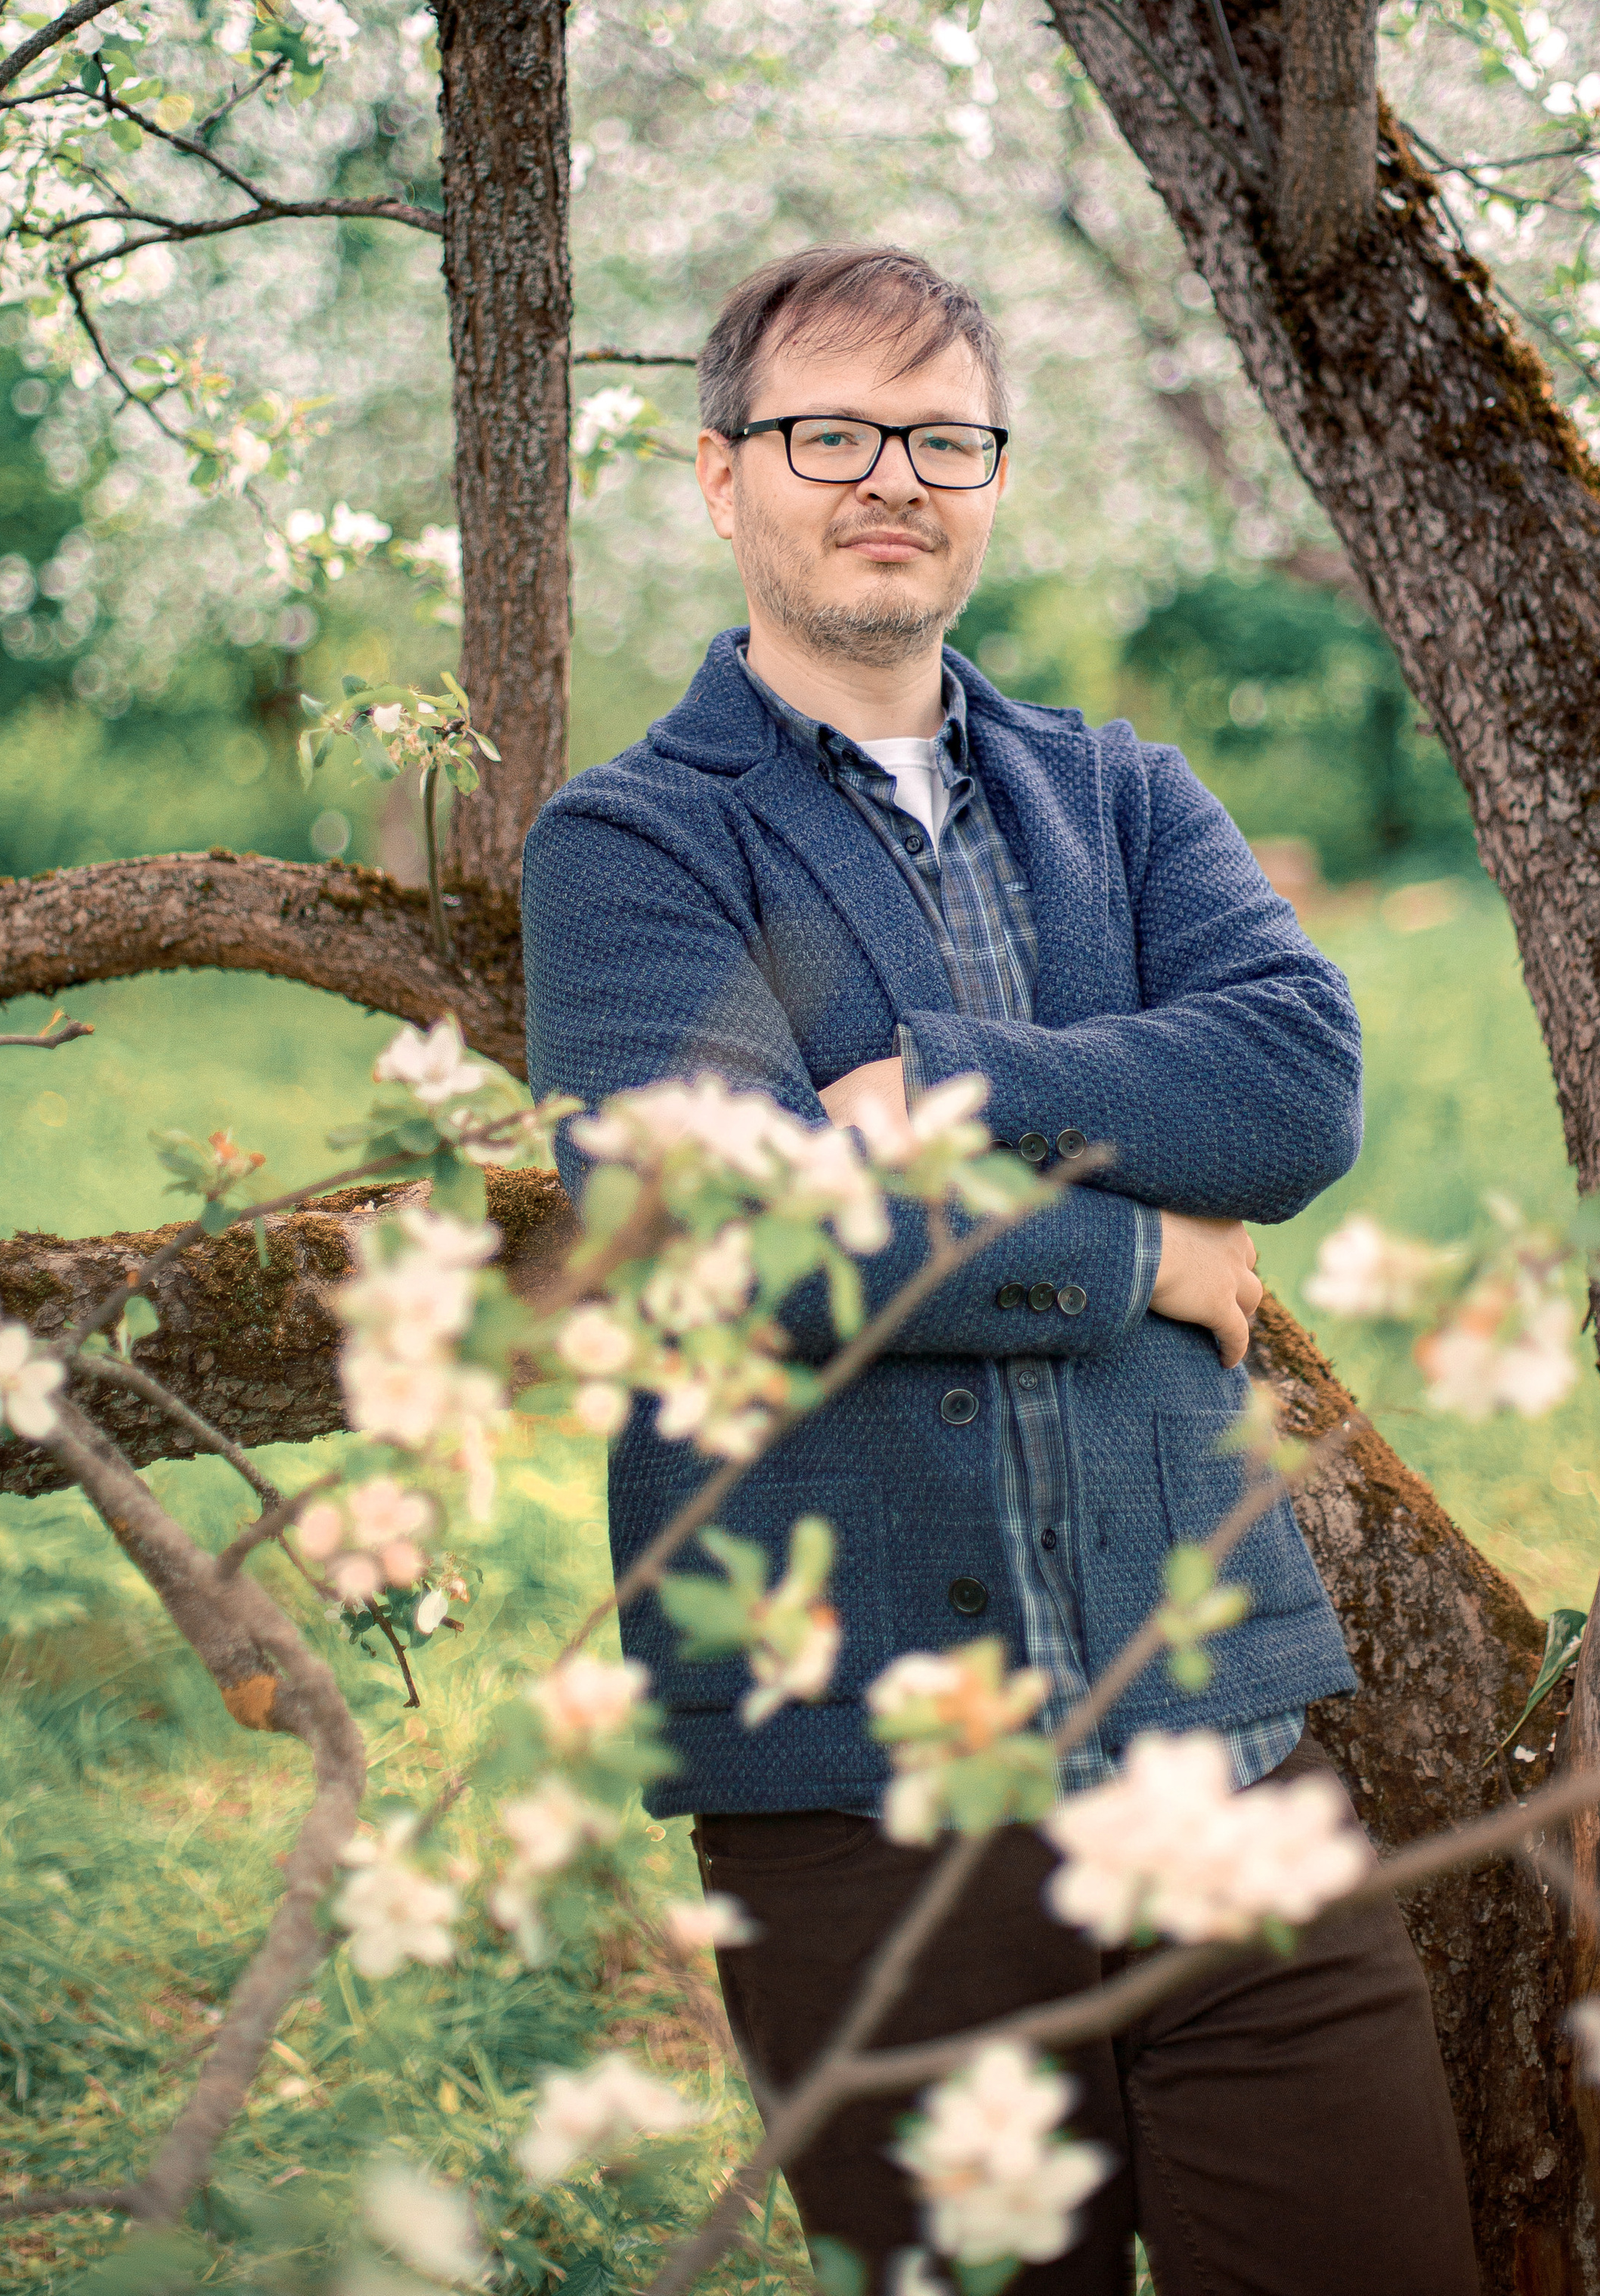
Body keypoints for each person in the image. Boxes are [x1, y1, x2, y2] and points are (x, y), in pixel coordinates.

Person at [521, 245, 1480, 2293]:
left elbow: (1297, 1089)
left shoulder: (1123, 795)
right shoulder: (633, 846)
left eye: (944, 436)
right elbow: (732, 1229)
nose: (894, 476)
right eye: (834, 434)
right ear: (721, 476)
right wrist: (1132, 1247)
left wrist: (945, 1070)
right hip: (865, 1819)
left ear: (993, 477)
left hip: (1222, 1770)